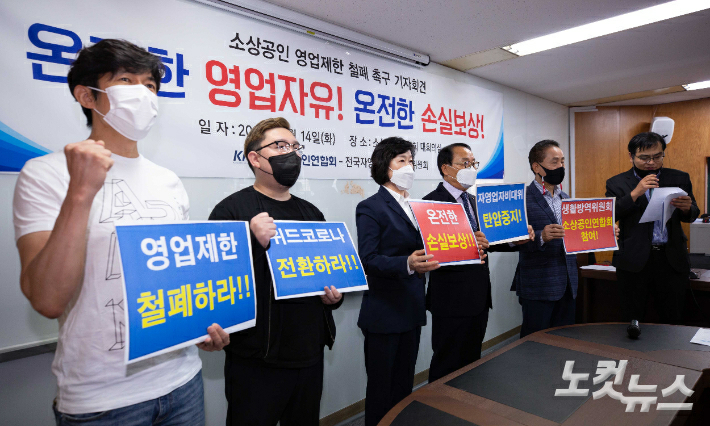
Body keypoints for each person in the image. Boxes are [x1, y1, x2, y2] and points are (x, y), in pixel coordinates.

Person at [13, 39, 229, 426]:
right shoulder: (45, 173)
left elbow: (176, 276)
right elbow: (47, 299)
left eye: (150, 85)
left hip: (182, 381)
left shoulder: (167, 180)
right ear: (87, 96)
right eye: (126, 80)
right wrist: (80, 192)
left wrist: (201, 326)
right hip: (103, 400)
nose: (143, 94)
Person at [208, 117, 343, 426]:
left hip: (308, 353)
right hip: (256, 359)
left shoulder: (312, 213)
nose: (291, 153)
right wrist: (251, 239)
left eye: (295, 146)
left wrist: (334, 298)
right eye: (280, 146)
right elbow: (217, 284)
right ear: (255, 158)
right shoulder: (231, 210)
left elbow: (329, 275)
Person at [424, 143, 535, 382]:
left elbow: (489, 241)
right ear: (446, 168)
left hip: (479, 295)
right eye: (465, 163)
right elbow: (430, 250)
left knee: (471, 361)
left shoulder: (476, 201)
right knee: (446, 361)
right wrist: (466, 242)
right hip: (450, 298)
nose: (471, 169)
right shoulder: (430, 203)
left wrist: (515, 239)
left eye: (473, 164)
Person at [355, 137, 441, 426]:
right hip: (384, 311)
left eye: (411, 161)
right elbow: (368, 259)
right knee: (381, 388)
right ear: (385, 166)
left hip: (412, 306)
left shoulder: (418, 206)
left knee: (404, 386)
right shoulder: (370, 207)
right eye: (401, 160)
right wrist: (406, 263)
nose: (409, 167)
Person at [606, 132, 699, 323]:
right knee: (633, 317)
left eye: (657, 156)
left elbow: (693, 213)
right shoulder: (616, 183)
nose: (651, 162)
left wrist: (687, 208)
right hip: (633, 260)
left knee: (672, 317)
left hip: (671, 259)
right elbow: (611, 214)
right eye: (644, 158)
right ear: (631, 156)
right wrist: (636, 193)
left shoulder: (679, 177)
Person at [512, 140, 579, 338]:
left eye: (562, 162)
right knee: (535, 342)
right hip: (538, 284)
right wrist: (541, 237)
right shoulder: (521, 198)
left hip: (567, 283)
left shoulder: (566, 198)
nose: (561, 167)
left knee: (565, 340)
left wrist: (604, 232)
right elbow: (511, 241)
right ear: (537, 167)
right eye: (554, 162)